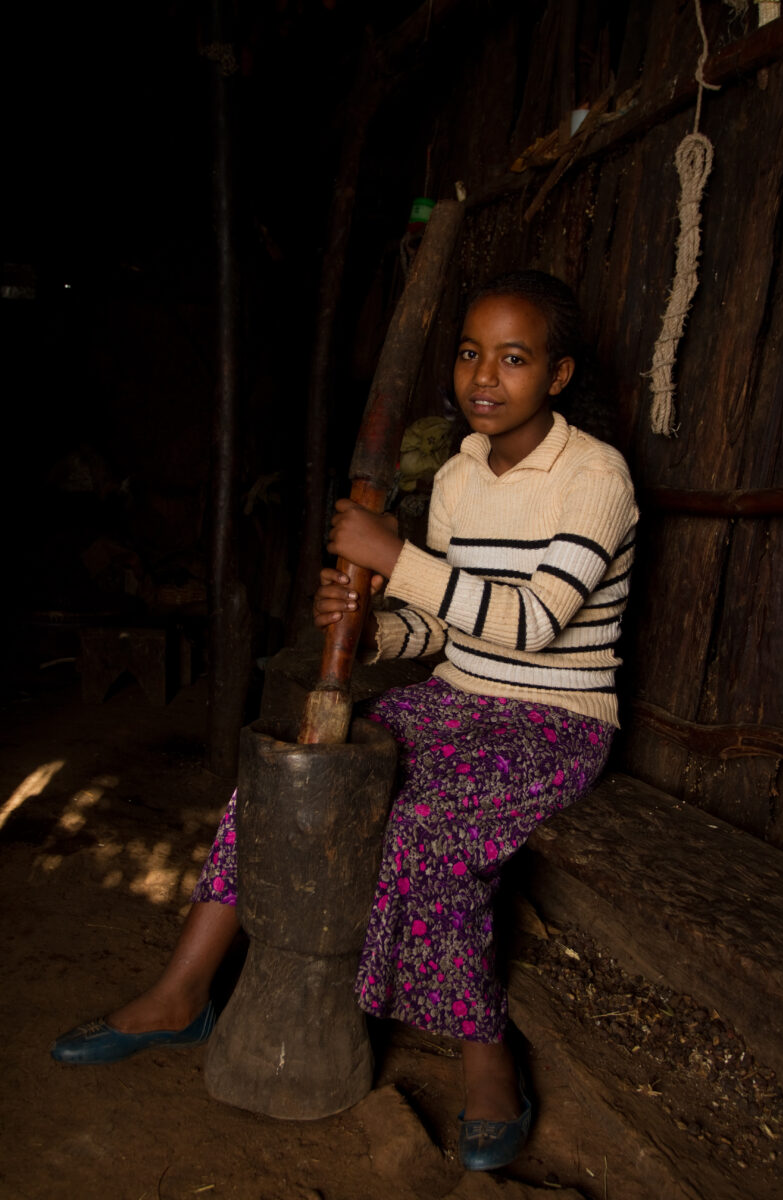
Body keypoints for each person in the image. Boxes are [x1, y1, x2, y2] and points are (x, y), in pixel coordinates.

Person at [52, 270, 637, 1173]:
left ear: (556, 376)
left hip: (553, 720)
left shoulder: (596, 475)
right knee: (295, 772)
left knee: (427, 831)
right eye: (471, 352)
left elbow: (534, 623)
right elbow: (445, 622)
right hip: (455, 696)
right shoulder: (457, 474)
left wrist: (395, 557)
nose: (484, 375)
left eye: (514, 359)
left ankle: (488, 1058)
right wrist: (367, 630)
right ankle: (182, 994)